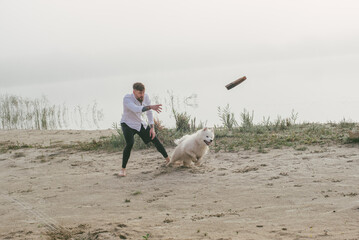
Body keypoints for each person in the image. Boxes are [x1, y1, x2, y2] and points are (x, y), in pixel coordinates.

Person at [119, 82, 170, 177]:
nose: (142, 95)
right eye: (139, 93)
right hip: (127, 124)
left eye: (143, 93)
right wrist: (151, 107)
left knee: (154, 138)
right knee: (130, 143)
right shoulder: (127, 98)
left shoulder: (145, 97)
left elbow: (149, 113)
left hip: (139, 123)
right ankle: (123, 169)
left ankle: (168, 160)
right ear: (134, 92)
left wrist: (152, 127)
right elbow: (136, 109)